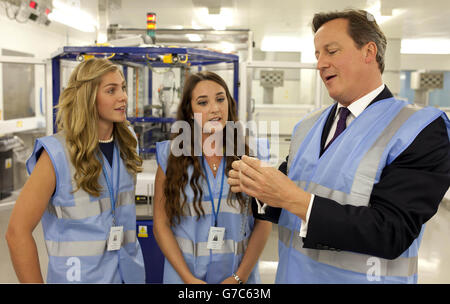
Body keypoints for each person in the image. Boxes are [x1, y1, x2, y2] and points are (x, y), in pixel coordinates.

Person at [228, 9, 450, 284]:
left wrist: (293, 199)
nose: (320, 64)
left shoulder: (418, 128)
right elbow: (284, 199)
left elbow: (393, 231)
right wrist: (258, 188)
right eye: (317, 55)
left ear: (368, 52)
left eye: (331, 51)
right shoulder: (308, 126)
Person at [6, 58, 145, 283]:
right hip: (79, 277)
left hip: (128, 272)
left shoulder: (128, 142)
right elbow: (16, 233)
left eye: (123, 88)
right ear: (88, 97)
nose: (123, 97)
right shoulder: (57, 154)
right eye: (111, 90)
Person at [153, 71, 272, 284]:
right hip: (184, 278)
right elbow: (161, 224)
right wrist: (189, 279)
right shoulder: (171, 156)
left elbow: (264, 223)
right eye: (203, 102)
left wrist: (238, 277)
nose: (215, 108)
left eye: (220, 98)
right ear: (190, 111)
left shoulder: (252, 154)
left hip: (237, 278)